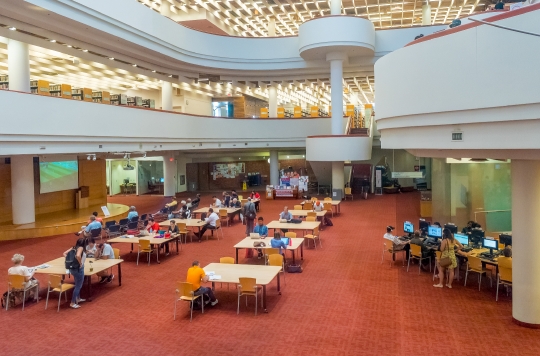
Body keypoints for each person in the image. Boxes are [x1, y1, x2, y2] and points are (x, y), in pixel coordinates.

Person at [63, 237, 87, 309]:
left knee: (77, 284)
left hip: (72, 268)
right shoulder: (81, 248)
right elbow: (78, 256)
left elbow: (64, 253)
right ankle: (72, 302)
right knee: (78, 286)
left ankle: (78, 298)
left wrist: (71, 260)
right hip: (78, 269)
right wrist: (80, 263)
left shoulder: (73, 248)